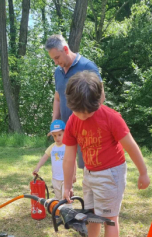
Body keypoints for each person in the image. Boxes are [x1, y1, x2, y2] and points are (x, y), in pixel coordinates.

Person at [62, 71, 150, 237]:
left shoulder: (111, 118)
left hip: (111, 174)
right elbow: (69, 157)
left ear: (100, 98)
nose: (82, 116)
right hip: (90, 174)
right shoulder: (74, 120)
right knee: (92, 215)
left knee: (109, 219)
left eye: (87, 113)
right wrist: (67, 185)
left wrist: (143, 173)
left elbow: (131, 147)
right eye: (78, 111)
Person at [45, 34, 105, 168]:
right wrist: (55, 121)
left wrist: (84, 118)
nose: (55, 62)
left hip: (86, 129)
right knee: (66, 165)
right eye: (53, 59)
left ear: (65, 49)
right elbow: (57, 98)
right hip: (66, 130)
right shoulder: (58, 72)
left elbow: (100, 98)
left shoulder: (87, 66)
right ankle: (66, 189)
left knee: (88, 167)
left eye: (57, 58)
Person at [32, 119, 76, 201]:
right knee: (58, 198)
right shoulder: (52, 147)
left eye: (59, 135)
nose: (57, 138)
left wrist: (74, 175)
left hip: (66, 178)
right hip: (55, 178)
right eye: (54, 136)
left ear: (65, 133)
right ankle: (59, 211)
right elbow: (44, 157)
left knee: (66, 198)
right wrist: (37, 167)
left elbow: (73, 161)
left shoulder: (67, 146)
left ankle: (68, 212)